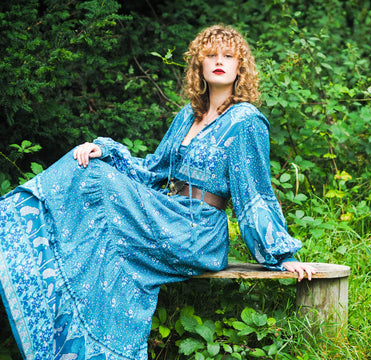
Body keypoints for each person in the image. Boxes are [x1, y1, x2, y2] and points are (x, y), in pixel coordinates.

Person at [0, 24, 317, 360]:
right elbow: (152, 170)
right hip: (169, 213)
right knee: (89, 168)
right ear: (199, 65)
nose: (219, 61)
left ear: (241, 67)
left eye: (228, 56)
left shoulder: (246, 121)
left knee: (99, 182)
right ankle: (16, 232)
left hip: (200, 232)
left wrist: (283, 256)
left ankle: (12, 224)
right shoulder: (188, 116)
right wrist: (105, 151)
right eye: (211, 55)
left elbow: (255, 194)